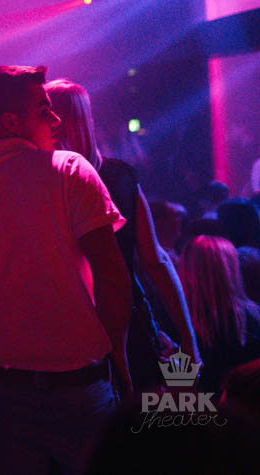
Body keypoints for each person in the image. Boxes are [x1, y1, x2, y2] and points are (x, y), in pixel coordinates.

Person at [0, 65, 131, 475]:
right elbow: (111, 273)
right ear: (10, 122)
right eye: (43, 110)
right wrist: (117, 357)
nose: (56, 120)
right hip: (77, 389)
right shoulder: (69, 171)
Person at [45, 78, 200, 388]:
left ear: (54, 122)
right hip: (129, 318)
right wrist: (189, 339)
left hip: (72, 327)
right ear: (87, 120)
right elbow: (156, 260)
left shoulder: (47, 182)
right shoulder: (119, 176)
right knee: (161, 408)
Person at [177, 235, 260, 393]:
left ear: (186, 270)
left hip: (196, 406)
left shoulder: (175, 321)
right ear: (231, 269)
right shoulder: (252, 318)